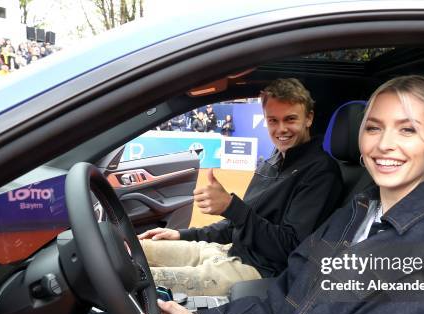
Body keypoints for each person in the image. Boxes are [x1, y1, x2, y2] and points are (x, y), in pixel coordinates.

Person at [25, 75, 424, 314]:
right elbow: (283, 295)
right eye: (374, 127)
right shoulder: (357, 213)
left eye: (408, 129)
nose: (384, 144)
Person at [138, 78, 342, 296]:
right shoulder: (271, 163)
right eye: (273, 120)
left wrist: (231, 206)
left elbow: (290, 248)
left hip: (255, 272)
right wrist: (182, 235)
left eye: (290, 119)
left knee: (136, 280)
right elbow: (238, 225)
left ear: (308, 118)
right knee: (136, 251)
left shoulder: (321, 172)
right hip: (225, 251)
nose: (281, 129)